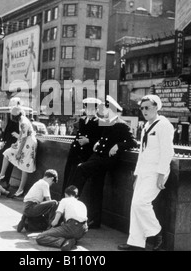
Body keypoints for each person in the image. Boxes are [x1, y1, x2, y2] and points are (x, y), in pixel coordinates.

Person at [72, 95, 138, 229]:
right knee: (96, 188)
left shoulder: (121, 124)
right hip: (98, 157)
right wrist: (97, 143)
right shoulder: (107, 122)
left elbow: (133, 142)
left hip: (106, 160)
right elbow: (104, 139)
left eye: (105, 108)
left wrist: (118, 146)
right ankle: (94, 221)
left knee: (81, 169)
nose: (102, 110)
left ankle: (71, 200)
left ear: (111, 109)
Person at [118, 95, 174, 251]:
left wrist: (162, 175)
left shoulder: (164, 125)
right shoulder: (146, 126)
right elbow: (142, 153)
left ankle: (157, 232)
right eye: (142, 108)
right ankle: (136, 242)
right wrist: (137, 174)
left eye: (147, 107)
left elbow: (167, 152)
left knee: (141, 203)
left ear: (156, 108)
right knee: (134, 205)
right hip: (144, 172)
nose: (144, 111)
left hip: (156, 171)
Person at [62, 97, 103, 193]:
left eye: (93, 109)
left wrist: (88, 140)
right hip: (75, 153)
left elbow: (101, 141)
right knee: (68, 178)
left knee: (76, 182)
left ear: (97, 110)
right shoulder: (82, 120)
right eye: (88, 109)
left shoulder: (100, 122)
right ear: (85, 109)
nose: (90, 111)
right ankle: (64, 200)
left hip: (85, 155)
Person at [0, 106, 37, 198]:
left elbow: (24, 138)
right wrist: (15, 143)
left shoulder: (23, 123)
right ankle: (2, 174)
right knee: (7, 153)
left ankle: (20, 189)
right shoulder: (22, 120)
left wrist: (19, 151)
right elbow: (22, 136)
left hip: (29, 144)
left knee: (25, 166)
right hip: (27, 142)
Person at [36, 185, 88, 251]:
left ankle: (64, 241)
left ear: (65, 194)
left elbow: (55, 222)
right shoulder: (81, 203)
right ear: (75, 195)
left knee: (41, 237)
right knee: (65, 229)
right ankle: (72, 239)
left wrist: (49, 229)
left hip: (71, 227)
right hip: (83, 230)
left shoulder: (64, 200)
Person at [0, 98, 21, 190]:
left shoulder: (16, 117)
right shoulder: (14, 115)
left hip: (13, 142)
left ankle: (3, 180)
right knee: (2, 160)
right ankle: (3, 179)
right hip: (10, 141)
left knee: (4, 160)